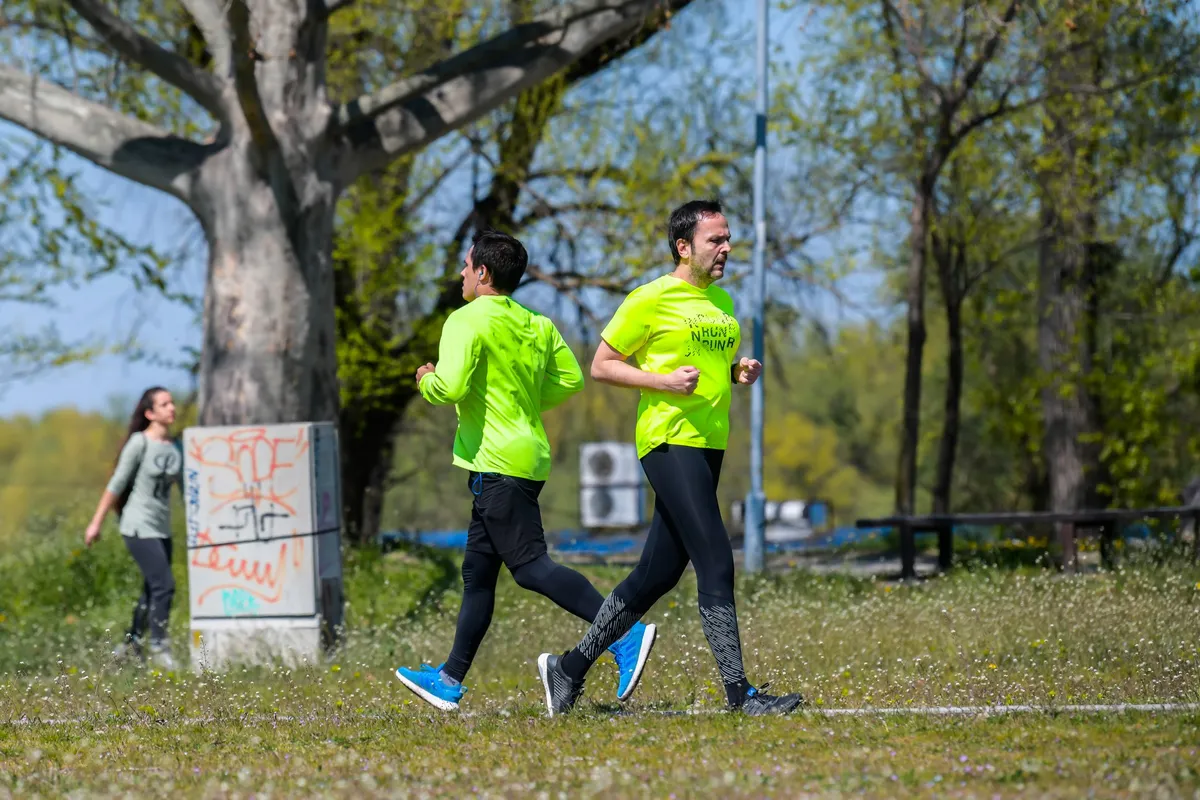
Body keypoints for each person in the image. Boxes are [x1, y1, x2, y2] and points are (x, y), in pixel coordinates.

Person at [536, 199, 803, 717]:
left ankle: (568, 669)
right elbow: (602, 365)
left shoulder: (722, 302)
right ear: (683, 247)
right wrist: (660, 382)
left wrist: (734, 372)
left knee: (655, 575)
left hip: (708, 443)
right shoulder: (650, 298)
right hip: (667, 440)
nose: (726, 248)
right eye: (715, 240)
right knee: (715, 557)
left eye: (728, 239)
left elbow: (704, 366)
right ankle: (740, 694)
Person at [394, 229, 657, 712]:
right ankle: (449, 679)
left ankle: (621, 632)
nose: (462, 273)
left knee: (532, 568)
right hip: (525, 457)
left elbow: (450, 387)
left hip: (497, 462)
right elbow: (570, 379)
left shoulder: (465, 320)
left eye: (466, 265)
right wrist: (521, 401)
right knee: (477, 574)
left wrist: (426, 379)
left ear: (483, 273)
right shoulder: (537, 321)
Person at [85, 386, 183, 670]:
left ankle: (130, 645)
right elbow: (116, 484)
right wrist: (96, 523)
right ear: (150, 413)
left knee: (151, 590)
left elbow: (186, 488)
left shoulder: (175, 448)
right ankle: (160, 648)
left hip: (162, 528)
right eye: (164, 404)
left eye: (172, 403)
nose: (172, 408)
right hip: (137, 526)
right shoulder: (139, 443)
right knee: (165, 585)